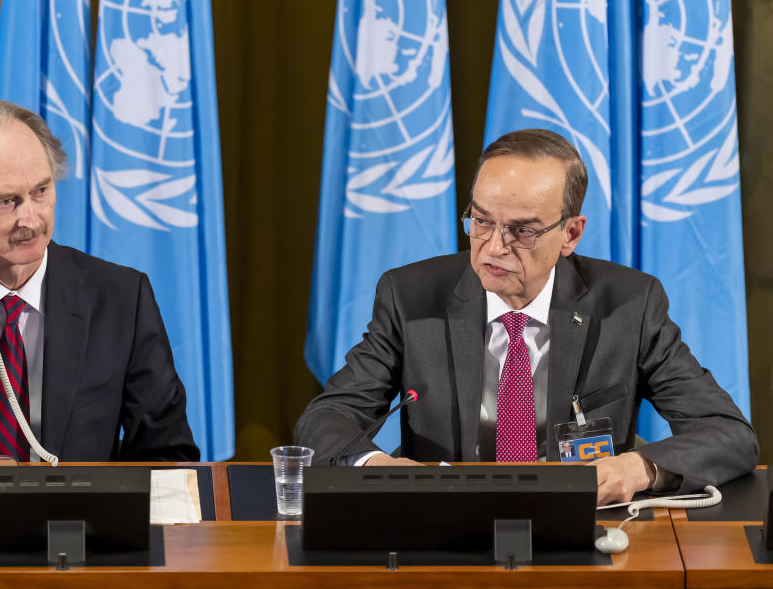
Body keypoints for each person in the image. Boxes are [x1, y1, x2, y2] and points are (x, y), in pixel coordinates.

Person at [294, 128, 758, 504]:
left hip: (579, 532)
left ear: (571, 233)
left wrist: (638, 467)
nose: (494, 247)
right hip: (444, 526)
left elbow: (728, 434)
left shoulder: (629, 305)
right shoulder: (412, 298)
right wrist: (380, 469)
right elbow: (327, 418)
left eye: (522, 230)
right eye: (481, 221)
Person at [0, 99, 200, 464]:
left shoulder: (121, 297)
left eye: (41, 191)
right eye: (6, 201)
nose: (31, 218)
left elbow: (168, 454)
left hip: (82, 520)